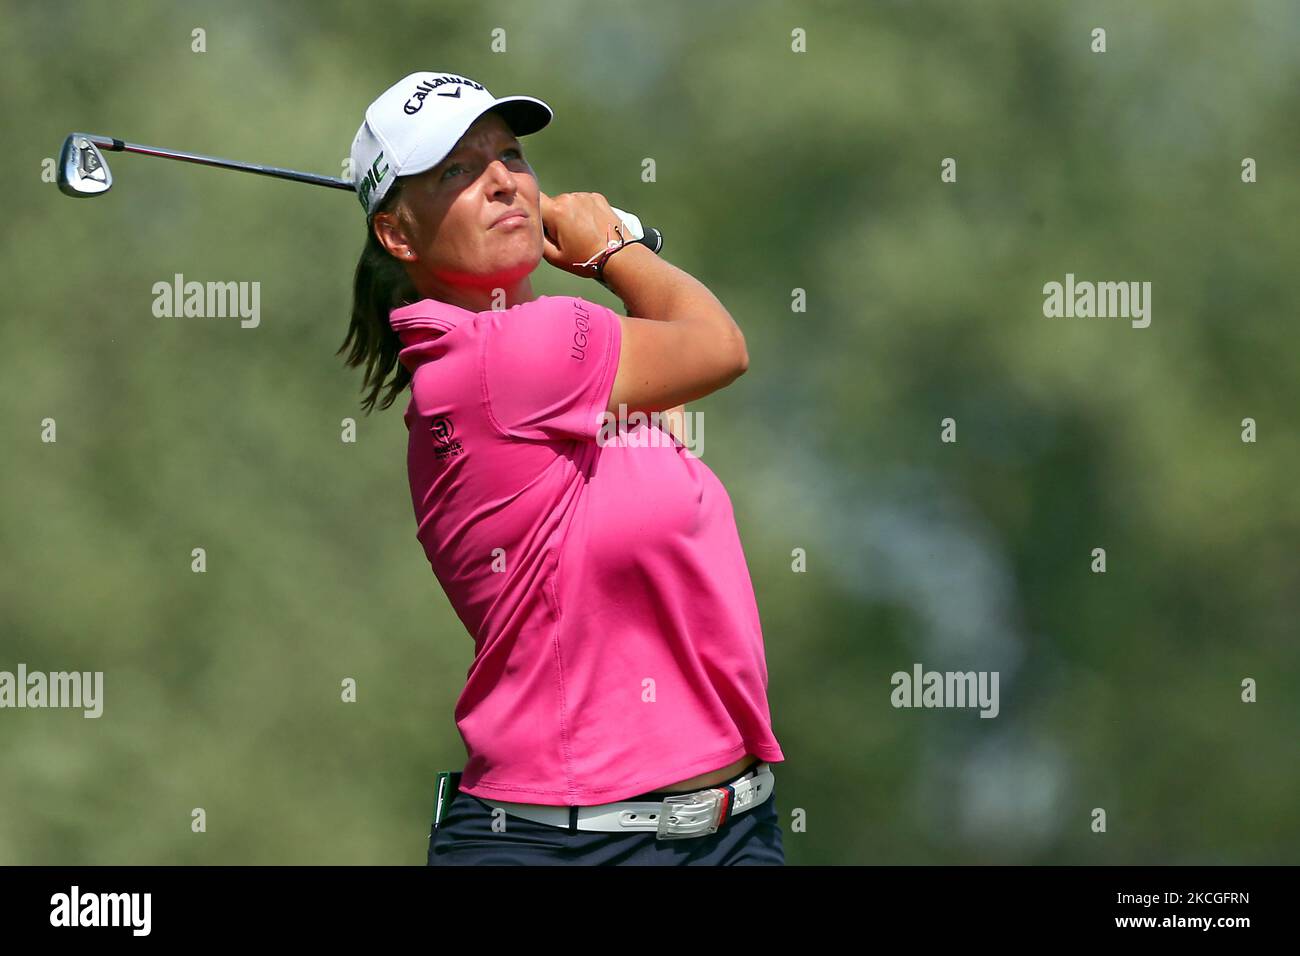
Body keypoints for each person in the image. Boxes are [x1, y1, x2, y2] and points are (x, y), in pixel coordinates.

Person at [338, 71, 785, 865]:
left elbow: (669, 391)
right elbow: (721, 348)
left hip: (732, 830)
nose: (502, 181)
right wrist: (613, 252)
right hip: (566, 848)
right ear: (399, 237)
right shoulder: (509, 353)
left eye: (509, 155)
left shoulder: (540, 362)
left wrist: (618, 261)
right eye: (455, 171)